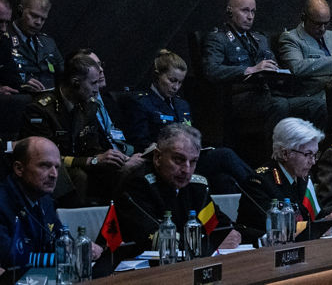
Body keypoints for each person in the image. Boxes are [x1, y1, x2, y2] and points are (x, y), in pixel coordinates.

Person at [119, 49, 251, 194]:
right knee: (225, 155)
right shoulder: (140, 102)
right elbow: (139, 141)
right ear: (157, 76)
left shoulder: (182, 105)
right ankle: (261, 188)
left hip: (189, 159)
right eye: (172, 80)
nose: (175, 87)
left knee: (224, 180)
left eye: (180, 82)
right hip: (165, 160)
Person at [21, 52, 143, 205]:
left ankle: (112, 220)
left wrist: (112, 158)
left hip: (81, 163)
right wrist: (91, 161)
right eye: (93, 83)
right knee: (78, 175)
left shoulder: (88, 107)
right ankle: (75, 223)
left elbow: (92, 146)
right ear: (75, 82)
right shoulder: (41, 109)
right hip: (52, 166)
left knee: (123, 170)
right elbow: (45, 158)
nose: (97, 89)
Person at [117, 124, 241, 253]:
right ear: (157, 158)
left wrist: (232, 235)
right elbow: (154, 239)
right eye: (178, 160)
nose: (187, 170)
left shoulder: (197, 186)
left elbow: (217, 226)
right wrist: (211, 242)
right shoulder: (138, 184)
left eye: (193, 161)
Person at [201, 0, 287, 162]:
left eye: (253, 11)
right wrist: (249, 70)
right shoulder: (219, 39)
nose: (250, 16)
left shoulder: (258, 38)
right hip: (237, 98)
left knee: (312, 105)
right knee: (280, 105)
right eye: (245, 10)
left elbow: (271, 62)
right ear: (230, 11)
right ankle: (274, 160)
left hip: (265, 93)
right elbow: (211, 70)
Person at [0, 136, 101, 276]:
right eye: (45, 166)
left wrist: (82, 249)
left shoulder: (45, 200)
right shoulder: (3, 202)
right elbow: (11, 258)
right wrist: (67, 257)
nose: (54, 174)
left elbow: (60, 239)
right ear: (19, 168)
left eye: (57, 167)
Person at [237, 118, 332, 242]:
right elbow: (277, 229)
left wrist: (331, 218)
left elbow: (314, 215)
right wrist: (320, 226)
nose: (313, 162)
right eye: (307, 154)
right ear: (285, 154)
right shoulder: (259, 182)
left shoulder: (302, 178)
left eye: (315, 154)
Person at [277, 0, 332, 129]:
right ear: (304, 18)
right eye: (317, 24)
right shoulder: (291, 39)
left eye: (326, 23)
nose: (322, 28)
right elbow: (296, 67)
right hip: (315, 95)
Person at [11, 0, 63, 91]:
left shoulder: (48, 43)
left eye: (43, 19)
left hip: (50, 99)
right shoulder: (4, 38)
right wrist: (18, 81)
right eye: (34, 16)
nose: (38, 22)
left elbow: (64, 73)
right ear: (20, 10)